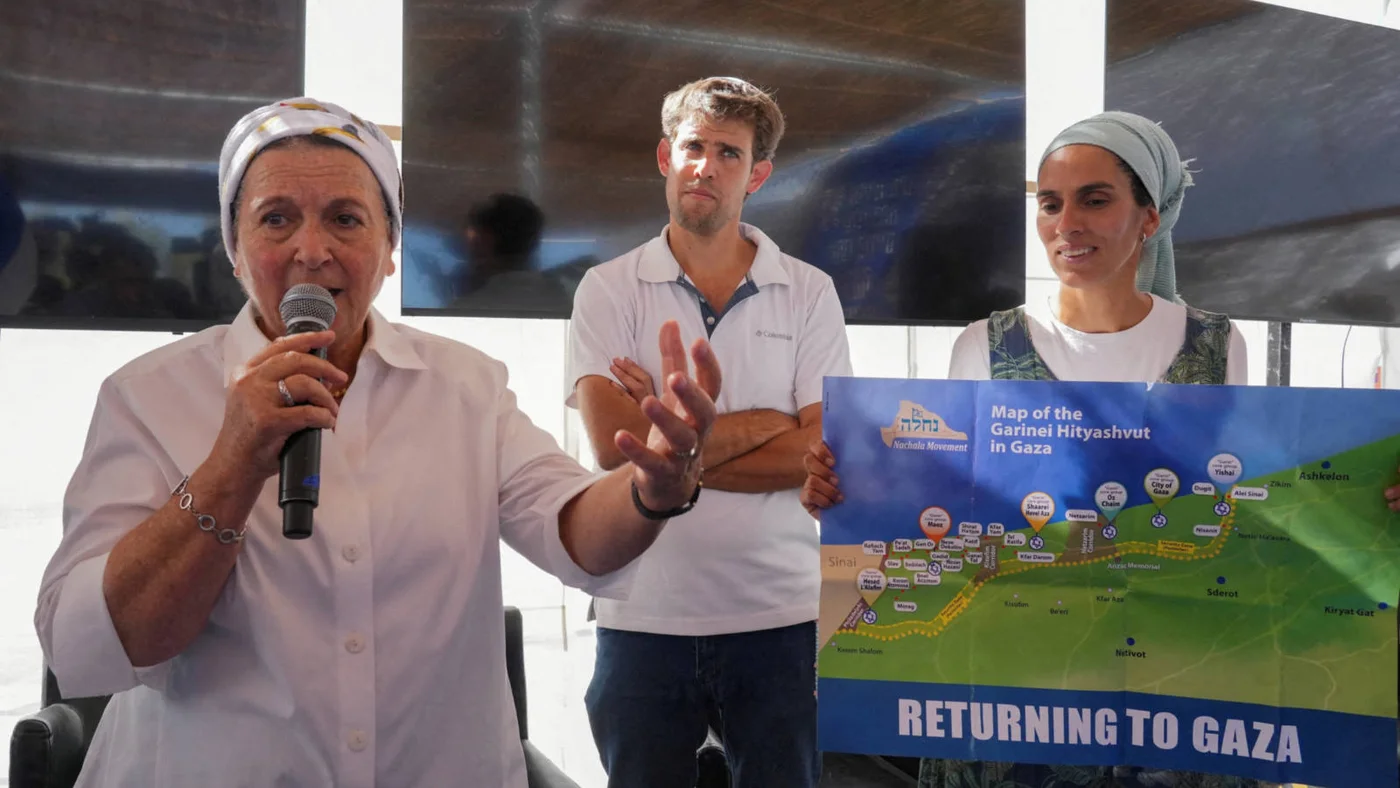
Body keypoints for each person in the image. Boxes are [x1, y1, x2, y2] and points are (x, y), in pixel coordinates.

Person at [33, 97, 723, 788]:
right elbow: (94, 644)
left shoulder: (465, 385)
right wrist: (232, 463)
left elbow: (570, 527)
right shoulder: (148, 396)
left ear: (389, 251)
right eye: (276, 218)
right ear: (235, 250)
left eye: (345, 218)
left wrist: (649, 491)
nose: (312, 248)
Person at [801, 111, 1294, 788]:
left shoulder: (1215, 346)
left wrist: (1359, 499)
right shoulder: (986, 346)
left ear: (1149, 218)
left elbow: (1249, 509)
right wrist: (849, 494)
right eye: (1050, 204)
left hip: (1167, 697)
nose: (1067, 225)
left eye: (1095, 200)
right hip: (1023, 702)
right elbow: (945, 508)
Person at [567, 76, 853, 788]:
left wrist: (677, 441)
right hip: (641, 616)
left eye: (729, 153)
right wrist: (769, 424)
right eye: (694, 147)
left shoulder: (810, 290)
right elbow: (615, 447)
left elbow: (819, 449)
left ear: (757, 174)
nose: (706, 166)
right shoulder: (607, 287)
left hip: (779, 619)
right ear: (666, 158)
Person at [450, 192, 571, 315]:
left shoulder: (464, 310)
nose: (466, 245)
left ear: (483, 240)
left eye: (471, 237)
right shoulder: (568, 303)